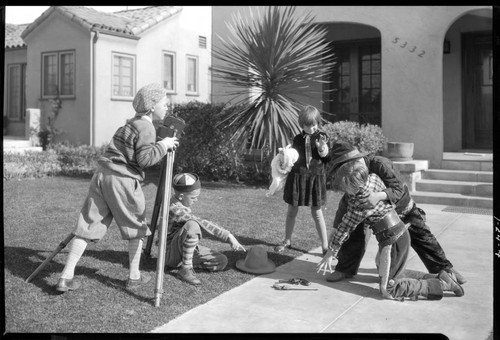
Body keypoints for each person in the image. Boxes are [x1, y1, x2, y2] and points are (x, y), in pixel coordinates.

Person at [55, 83, 179, 292]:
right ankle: (134, 276)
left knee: (87, 226)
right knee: (136, 226)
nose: (167, 108)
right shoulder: (147, 127)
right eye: (164, 104)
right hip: (122, 180)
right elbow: (145, 159)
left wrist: (158, 143)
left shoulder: (129, 125)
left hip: (102, 176)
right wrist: (164, 145)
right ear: (151, 107)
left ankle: (65, 277)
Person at [317, 149, 464, 301]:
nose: (343, 190)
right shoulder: (372, 178)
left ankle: (441, 284)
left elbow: (345, 228)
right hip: (396, 233)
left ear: (353, 185)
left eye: (344, 187)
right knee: (388, 272)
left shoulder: (361, 202)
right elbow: (345, 207)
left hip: (393, 237)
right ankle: (441, 276)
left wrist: (331, 252)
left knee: (389, 288)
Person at [164, 172, 246, 286]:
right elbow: (202, 223)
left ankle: (185, 264)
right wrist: (228, 236)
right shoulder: (174, 208)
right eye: (193, 197)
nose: (196, 200)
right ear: (181, 196)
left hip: (181, 249)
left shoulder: (179, 204)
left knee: (222, 260)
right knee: (193, 225)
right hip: (170, 253)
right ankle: (185, 268)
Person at [275, 105, 331, 254]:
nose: (311, 128)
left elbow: (327, 157)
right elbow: (293, 157)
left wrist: (321, 148)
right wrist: (284, 155)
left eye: (314, 124)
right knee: (291, 211)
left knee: (317, 213)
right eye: (308, 125)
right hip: (297, 178)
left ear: (318, 123)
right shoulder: (297, 139)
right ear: (302, 124)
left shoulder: (322, 137)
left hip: (315, 179)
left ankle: (325, 246)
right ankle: (287, 240)